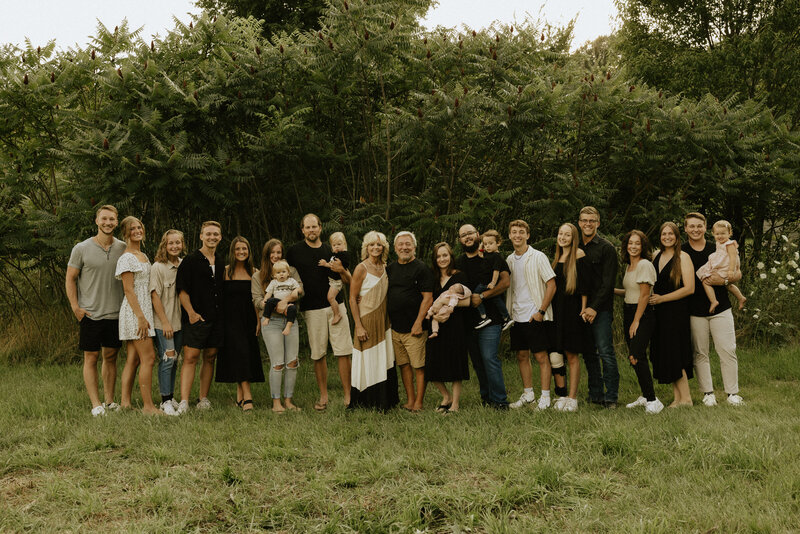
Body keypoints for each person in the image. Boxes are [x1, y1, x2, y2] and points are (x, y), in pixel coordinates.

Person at [286, 214, 353, 411]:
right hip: (311, 309)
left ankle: (348, 395)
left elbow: (349, 280)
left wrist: (342, 270)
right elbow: (282, 273)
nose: (311, 230)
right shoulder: (295, 251)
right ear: (303, 230)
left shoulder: (332, 250)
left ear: (320, 228)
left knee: (343, 351)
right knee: (318, 354)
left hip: (336, 307)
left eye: (314, 226)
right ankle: (323, 396)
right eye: (308, 227)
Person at [66, 204, 127, 416]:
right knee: (91, 358)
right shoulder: (81, 248)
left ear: (116, 222)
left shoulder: (123, 248)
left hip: (115, 313)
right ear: (96, 221)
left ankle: (110, 401)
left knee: (110, 357)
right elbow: (70, 279)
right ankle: (96, 404)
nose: (107, 223)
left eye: (111, 219)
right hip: (90, 314)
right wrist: (76, 307)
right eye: (104, 219)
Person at [684, 213, 744, 406]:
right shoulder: (682, 251)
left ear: (705, 227)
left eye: (699, 226)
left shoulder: (718, 246)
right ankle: (708, 393)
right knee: (700, 353)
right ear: (685, 229)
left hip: (721, 308)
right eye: (691, 226)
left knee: (727, 349)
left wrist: (724, 280)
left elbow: (738, 273)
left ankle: (732, 394)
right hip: (694, 310)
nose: (695, 229)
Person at [455, 224, 510, 409]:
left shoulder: (492, 256)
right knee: (478, 362)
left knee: (489, 358)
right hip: (468, 321)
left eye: (470, 233)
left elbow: (505, 282)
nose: (468, 237)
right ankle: (487, 398)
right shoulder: (458, 262)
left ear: (477, 235)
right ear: (460, 240)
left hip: (491, 319)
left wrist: (483, 296)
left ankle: (500, 401)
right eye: (463, 235)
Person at [505, 220, 557, 411]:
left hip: (534, 314)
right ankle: (528, 395)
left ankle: (545, 397)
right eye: (514, 232)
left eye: (521, 232)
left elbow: (552, 284)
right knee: (521, 355)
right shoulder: (509, 260)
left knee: (541, 356)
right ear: (509, 236)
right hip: (516, 316)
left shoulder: (538, 256)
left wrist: (541, 311)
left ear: (528, 235)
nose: (517, 235)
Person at [175, 221, 225, 414]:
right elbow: (182, 290)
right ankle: (184, 401)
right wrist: (191, 313)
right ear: (201, 236)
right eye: (209, 234)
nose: (212, 237)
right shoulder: (191, 260)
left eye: (216, 234)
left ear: (220, 237)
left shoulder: (221, 261)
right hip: (196, 318)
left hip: (217, 318)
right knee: (191, 357)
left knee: (210, 357)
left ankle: (203, 398)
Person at [114, 216, 161, 415]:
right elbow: (129, 290)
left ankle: (125, 403)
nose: (137, 231)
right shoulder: (127, 257)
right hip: (136, 312)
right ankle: (149, 407)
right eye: (132, 229)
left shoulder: (142, 255)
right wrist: (141, 317)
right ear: (125, 233)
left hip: (144, 310)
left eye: (139, 227)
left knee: (133, 358)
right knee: (149, 358)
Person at [614, 230, 663, 414]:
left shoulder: (644, 265)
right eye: (630, 243)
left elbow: (643, 295)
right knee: (635, 357)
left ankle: (653, 400)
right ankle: (645, 395)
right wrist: (610, 290)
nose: (633, 246)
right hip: (628, 311)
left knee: (636, 355)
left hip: (642, 314)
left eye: (637, 243)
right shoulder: (629, 266)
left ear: (643, 246)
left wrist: (636, 321)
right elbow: (630, 292)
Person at [349, 231, 399, 411]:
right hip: (366, 319)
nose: (375, 248)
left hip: (384, 319)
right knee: (368, 357)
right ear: (366, 247)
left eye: (379, 244)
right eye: (372, 244)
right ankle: (367, 400)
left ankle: (384, 400)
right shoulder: (361, 268)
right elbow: (353, 299)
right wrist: (359, 326)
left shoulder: (387, 267)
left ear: (384, 247)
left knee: (383, 357)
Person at [251, 239, 303, 413]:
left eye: (278, 252)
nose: (275, 255)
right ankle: (276, 402)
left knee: (292, 361)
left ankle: (288, 400)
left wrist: (285, 302)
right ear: (266, 255)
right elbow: (258, 300)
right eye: (272, 253)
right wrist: (274, 306)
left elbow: (300, 290)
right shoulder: (258, 276)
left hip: (290, 320)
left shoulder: (291, 271)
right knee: (278, 363)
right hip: (270, 322)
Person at [215, 236, 264, 412]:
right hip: (230, 320)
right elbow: (218, 298)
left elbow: (257, 300)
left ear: (249, 251)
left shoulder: (255, 272)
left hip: (249, 320)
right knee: (239, 353)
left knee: (244, 355)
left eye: (244, 249)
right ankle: (248, 397)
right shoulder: (225, 271)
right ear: (232, 252)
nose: (241, 252)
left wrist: (259, 321)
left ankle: (240, 397)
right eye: (238, 249)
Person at [386, 231, 434, 412]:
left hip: (414, 328)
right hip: (395, 328)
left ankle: (419, 403)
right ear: (395, 248)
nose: (404, 247)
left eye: (408, 244)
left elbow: (428, 298)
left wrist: (418, 322)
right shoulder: (390, 269)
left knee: (418, 366)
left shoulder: (421, 269)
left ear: (414, 247)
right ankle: (410, 400)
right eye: (401, 244)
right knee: (404, 365)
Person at [577, 206, 620, 408]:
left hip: (600, 309)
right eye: (584, 220)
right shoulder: (574, 246)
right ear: (579, 223)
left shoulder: (606, 248)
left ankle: (611, 396)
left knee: (605, 351)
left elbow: (608, 283)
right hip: (580, 308)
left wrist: (593, 308)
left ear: (598, 223)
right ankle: (595, 394)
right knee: (588, 353)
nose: (588, 224)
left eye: (591, 221)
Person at [650, 222, 695, 407]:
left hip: (676, 312)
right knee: (666, 353)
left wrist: (662, 299)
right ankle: (677, 398)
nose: (667, 237)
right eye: (663, 234)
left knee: (676, 353)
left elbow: (690, 288)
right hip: (659, 314)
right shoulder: (655, 255)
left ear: (677, 237)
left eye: (671, 234)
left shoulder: (683, 257)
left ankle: (687, 399)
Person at [426, 242, 472, 414]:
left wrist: (445, 302)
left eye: (445, 255)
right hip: (436, 325)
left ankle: (455, 403)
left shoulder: (460, 276)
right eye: (438, 256)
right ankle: (446, 396)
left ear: (451, 257)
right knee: (432, 363)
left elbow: (468, 301)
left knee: (455, 363)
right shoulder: (432, 277)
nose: (442, 259)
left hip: (455, 325)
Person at [550, 223, 592, 412]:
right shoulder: (556, 257)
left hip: (573, 311)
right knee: (557, 354)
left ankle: (573, 399)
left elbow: (585, 287)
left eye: (567, 235)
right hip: (556, 311)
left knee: (572, 355)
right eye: (560, 234)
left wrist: (583, 309)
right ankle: (563, 395)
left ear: (573, 237)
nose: (563, 237)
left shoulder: (579, 255)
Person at [150, 229, 185, 416]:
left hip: (179, 323)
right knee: (167, 358)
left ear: (182, 244)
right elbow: (154, 296)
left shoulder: (183, 265)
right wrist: (165, 323)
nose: (174, 246)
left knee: (175, 361)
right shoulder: (158, 267)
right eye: (171, 243)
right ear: (165, 245)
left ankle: (171, 396)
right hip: (164, 323)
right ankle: (164, 401)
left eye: (178, 243)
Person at [696, 220, 747, 312]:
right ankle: (741, 297)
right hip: (722, 265)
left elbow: (733, 258)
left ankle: (714, 301)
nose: (720, 236)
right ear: (713, 234)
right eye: (717, 234)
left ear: (729, 233)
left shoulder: (729, 244)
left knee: (705, 280)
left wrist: (731, 270)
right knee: (728, 285)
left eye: (723, 233)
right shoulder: (719, 243)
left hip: (727, 267)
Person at [474, 229, 511, 329]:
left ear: (498, 243)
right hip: (486, 283)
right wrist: (482, 243)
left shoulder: (497, 256)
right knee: (496, 299)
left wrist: (493, 283)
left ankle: (484, 317)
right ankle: (506, 318)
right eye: (485, 244)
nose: (487, 246)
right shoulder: (488, 254)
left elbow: (496, 271)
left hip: (487, 283)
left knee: (475, 295)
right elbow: (480, 253)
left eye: (490, 243)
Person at [318, 232, 350, 325]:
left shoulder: (343, 255)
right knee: (330, 297)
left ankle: (337, 314)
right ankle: (336, 313)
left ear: (344, 244)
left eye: (339, 244)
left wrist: (325, 264)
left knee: (330, 297)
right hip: (332, 280)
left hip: (336, 281)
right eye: (334, 245)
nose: (336, 247)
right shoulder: (335, 255)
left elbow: (336, 267)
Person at [261, 260, 301, 337]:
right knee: (270, 301)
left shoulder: (291, 281)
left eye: (283, 272)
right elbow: (269, 293)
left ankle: (288, 326)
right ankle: (267, 317)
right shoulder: (273, 282)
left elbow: (300, 289)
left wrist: (296, 290)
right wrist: (264, 300)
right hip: (277, 301)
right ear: (274, 275)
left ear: (288, 273)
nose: (281, 274)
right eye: (278, 273)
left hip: (289, 302)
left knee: (292, 309)